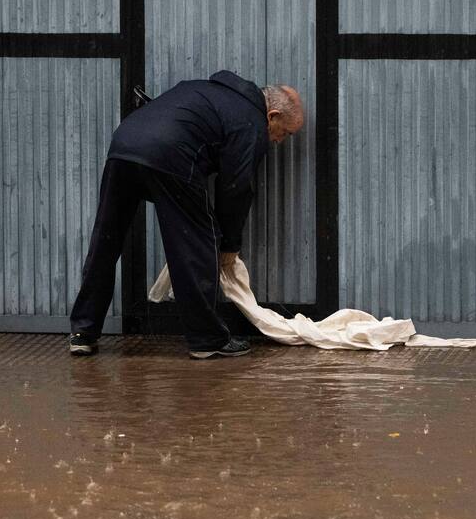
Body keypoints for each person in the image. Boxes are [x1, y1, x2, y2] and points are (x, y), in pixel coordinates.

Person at [68, 70, 304, 359]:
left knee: (106, 240)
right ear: (273, 114)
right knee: (198, 243)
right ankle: (207, 339)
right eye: (286, 133)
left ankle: (83, 332)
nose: (281, 141)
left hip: (124, 145)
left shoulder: (205, 89)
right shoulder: (251, 121)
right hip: (171, 155)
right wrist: (229, 245)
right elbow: (235, 188)